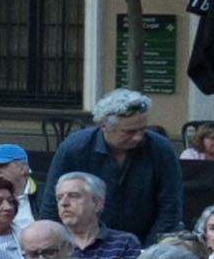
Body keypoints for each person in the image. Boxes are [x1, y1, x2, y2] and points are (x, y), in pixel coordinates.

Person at [52, 88, 182, 249]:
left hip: (146, 244)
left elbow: (171, 207)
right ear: (104, 126)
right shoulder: (75, 149)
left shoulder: (160, 149)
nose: (138, 137)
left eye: (143, 129)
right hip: (82, 247)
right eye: (129, 132)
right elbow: (52, 205)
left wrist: (148, 252)